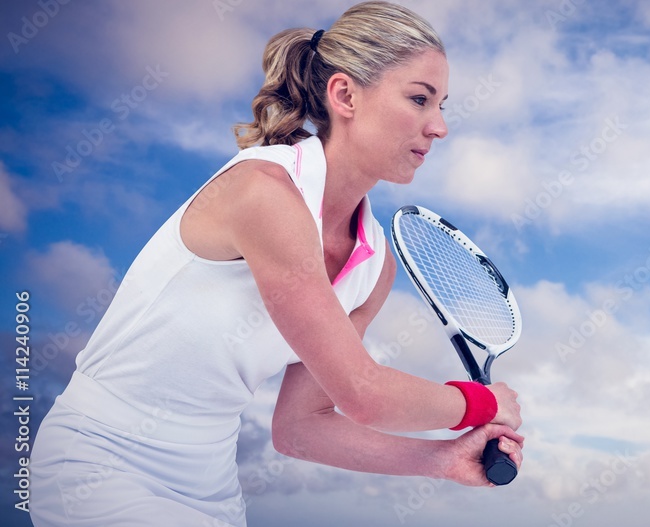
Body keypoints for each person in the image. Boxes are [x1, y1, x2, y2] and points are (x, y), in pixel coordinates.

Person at [29, 2, 524, 526]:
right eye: (420, 99)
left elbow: (300, 428)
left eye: (442, 104)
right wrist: (484, 403)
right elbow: (364, 393)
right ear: (345, 95)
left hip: (210, 487)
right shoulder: (263, 194)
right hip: (99, 462)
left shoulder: (374, 264)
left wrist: (443, 461)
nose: (440, 126)